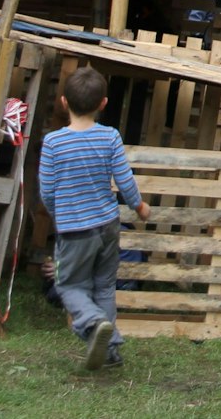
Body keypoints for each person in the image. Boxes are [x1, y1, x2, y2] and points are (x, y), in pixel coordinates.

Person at [38, 66, 149, 370]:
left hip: (74, 229)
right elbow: (124, 181)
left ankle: (93, 321)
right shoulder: (110, 137)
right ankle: (110, 350)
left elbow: (47, 190)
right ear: (103, 103)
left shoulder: (53, 143)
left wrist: (59, 215)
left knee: (69, 286)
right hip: (107, 226)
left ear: (63, 102)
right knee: (103, 286)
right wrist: (139, 206)